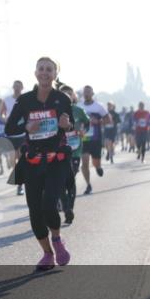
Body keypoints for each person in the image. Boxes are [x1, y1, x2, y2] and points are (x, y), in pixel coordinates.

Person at [5, 57, 74, 271]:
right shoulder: (25, 101)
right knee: (34, 211)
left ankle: (57, 239)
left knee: (49, 204)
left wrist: (67, 124)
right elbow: (9, 129)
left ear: (55, 74)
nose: (45, 73)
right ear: (35, 73)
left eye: (49, 70)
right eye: (41, 69)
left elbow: (71, 126)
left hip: (56, 161)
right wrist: (27, 127)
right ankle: (47, 254)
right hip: (33, 162)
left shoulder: (62, 98)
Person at [58, 85, 89, 224]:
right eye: (63, 93)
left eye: (69, 93)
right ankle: (66, 207)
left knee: (70, 178)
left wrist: (84, 130)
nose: (66, 95)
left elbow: (87, 123)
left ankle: (69, 206)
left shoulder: (78, 110)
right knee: (60, 180)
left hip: (75, 150)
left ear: (73, 96)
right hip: (59, 150)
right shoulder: (55, 110)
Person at [79, 85, 110, 195]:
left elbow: (108, 120)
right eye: (85, 92)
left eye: (89, 92)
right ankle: (88, 185)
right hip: (84, 139)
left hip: (96, 139)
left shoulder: (99, 107)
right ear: (83, 94)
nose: (86, 94)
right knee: (85, 161)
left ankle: (98, 167)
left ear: (92, 93)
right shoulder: (79, 106)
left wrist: (99, 122)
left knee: (96, 162)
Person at [2, 80, 26, 195]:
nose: (17, 88)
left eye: (19, 86)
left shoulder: (26, 98)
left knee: (21, 159)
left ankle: (20, 185)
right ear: (13, 87)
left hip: (22, 134)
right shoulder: (7, 100)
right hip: (10, 134)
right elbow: (1, 113)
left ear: (22, 87)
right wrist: (4, 119)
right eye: (15, 86)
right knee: (13, 160)